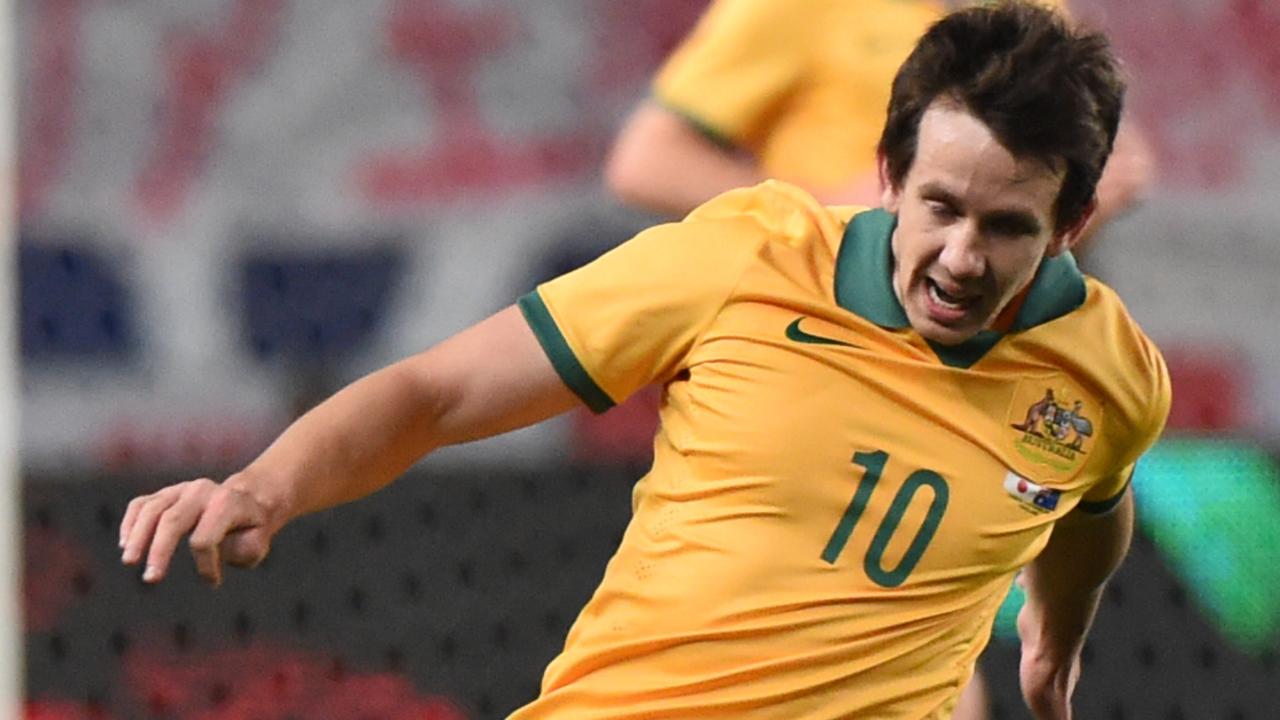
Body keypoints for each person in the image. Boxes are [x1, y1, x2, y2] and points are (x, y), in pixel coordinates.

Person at [119, 3, 1171, 718]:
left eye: (1003, 227)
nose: (958, 256)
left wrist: (1053, 632)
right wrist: (267, 485)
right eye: (937, 208)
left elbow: (1090, 503)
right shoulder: (744, 256)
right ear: (888, 175)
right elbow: (437, 393)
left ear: (1071, 222)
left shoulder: (1107, 374)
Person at [605, 0, 1152, 251]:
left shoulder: (1034, 11)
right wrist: (831, 211)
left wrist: (1088, 198)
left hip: (989, 321)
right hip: (830, 313)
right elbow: (646, 162)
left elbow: (1116, 159)